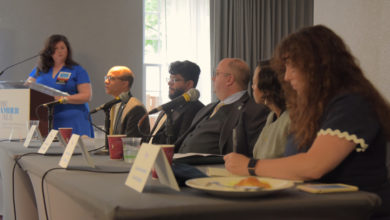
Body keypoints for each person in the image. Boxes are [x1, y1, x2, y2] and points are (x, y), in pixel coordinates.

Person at [224, 25, 390, 218]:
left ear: (319, 65)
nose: (286, 76)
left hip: (355, 211)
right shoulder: (313, 110)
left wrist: (250, 166)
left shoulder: (353, 103)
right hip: (314, 207)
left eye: (292, 67)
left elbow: (313, 166)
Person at [175, 58, 269, 155]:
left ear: (229, 79)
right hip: (179, 163)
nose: (213, 78)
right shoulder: (207, 108)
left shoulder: (253, 111)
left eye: (217, 73)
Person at [26, 34, 94, 137]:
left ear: (68, 50)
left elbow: (86, 96)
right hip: (47, 119)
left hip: (72, 119)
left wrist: (63, 98)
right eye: (55, 48)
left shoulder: (77, 70)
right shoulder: (40, 69)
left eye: (62, 48)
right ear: (49, 51)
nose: (59, 51)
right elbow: (27, 88)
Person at [149, 60, 204, 144]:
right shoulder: (170, 107)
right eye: (170, 79)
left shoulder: (195, 109)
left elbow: (181, 145)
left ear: (189, 84)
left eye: (174, 80)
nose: (169, 83)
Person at [251, 60, 290, 159]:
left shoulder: (290, 119)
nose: (252, 87)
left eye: (254, 83)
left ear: (267, 86)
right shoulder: (271, 117)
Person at [104, 66, 150, 138]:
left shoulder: (135, 107)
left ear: (125, 83)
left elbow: (132, 144)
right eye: (106, 78)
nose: (106, 81)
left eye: (111, 78)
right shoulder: (113, 105)